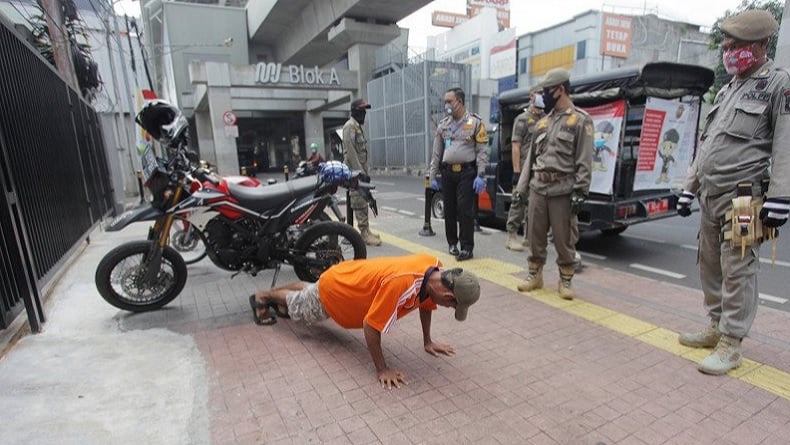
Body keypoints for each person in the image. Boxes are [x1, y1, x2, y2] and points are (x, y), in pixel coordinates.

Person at [675, 9, 789, 376]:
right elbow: (707, 144)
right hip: (711, 195)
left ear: (760, 44)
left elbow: (786, 142)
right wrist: (689, 188)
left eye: (734, 45)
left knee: (738, 268)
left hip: (745, 197)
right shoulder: (728, 89)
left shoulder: (778, 85)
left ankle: (731, 343)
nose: (728, 51)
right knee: (710, 264)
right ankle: (715, 324)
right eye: (725, 45)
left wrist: (781, 195)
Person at [248, 254, 481, 389]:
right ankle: (263, 297)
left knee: (311, 292)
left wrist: (427, 341)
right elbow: (371, 326)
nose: (448, 308)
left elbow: (425, 304)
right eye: (452, 306)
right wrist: (382, 369)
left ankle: (280, 294)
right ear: (447, 296)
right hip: (337, 292)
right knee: (301, 307)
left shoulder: (434, 268)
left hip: (347, 275)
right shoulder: (401, 284)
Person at [515, 68, 593, 300]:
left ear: (560, 90)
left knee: (564, 239)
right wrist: (521, 188)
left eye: (547, 91)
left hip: (562, 190)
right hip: (538, 188)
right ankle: (535, 275)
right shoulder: (542, 123)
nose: (543, 96)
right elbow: (531, 160)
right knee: (535, 236)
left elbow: (584, 159)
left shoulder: (580, 121)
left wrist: (581, 191)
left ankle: (565, 280)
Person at [429, 87, 489, 261]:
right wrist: (432, 175)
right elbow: (436, 153)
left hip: (467, 173)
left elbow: (482, 151)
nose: (446, 105)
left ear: (460, 102)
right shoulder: (443, 125)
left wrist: (481, 174)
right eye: (445, 101)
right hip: (448, 173)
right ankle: (452, 244)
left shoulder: (475, 122)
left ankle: (467, 247)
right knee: (449, 210)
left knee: (465, 210)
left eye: (449, 101)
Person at [506, 87, 545, 251]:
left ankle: (529, 238)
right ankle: (511, 237)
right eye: (539, 94)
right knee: (518, 201)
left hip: (539, 167)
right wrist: (516, 171)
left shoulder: (546, 119)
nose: (542, 97)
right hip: (524, 168)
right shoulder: (522, 119)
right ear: (532, 96)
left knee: (534, 204)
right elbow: (516, 146)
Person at [343, 98, 381, 246]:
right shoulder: (350, 127)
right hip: (355, 172)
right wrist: (360, 172)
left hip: (360, 171)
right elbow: (351, 152)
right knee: (358, 200)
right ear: (355, 111)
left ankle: (366, 230)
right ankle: (364, 234)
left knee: (364, 199)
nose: (364, 113)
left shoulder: (357, 127)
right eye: (362, 110)